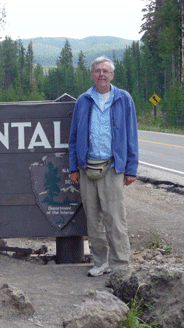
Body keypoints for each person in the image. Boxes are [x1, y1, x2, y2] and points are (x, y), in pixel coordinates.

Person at [68, 55, 138, 277]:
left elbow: (131, 136)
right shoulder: (83, 101)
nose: (101, 75)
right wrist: (73, 168)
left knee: (115, 218)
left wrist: (131, 168)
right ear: (92, 75)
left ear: (112, 75)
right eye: (97, 71)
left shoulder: (124, 99)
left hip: (113, 167)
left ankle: (119, 265)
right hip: (87, 168)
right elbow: (74, 137)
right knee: (93, 219)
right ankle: (100, 262)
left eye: (105, 71)